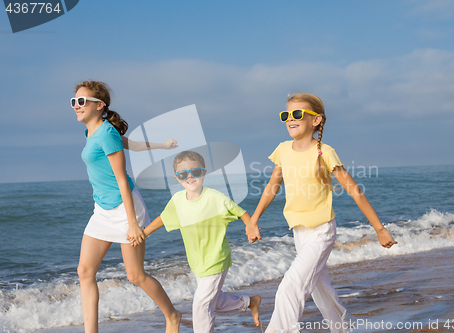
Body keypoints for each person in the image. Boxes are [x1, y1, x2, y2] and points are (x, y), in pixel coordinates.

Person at [250, 93, 397, 333]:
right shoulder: (283, 150)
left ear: (315, 120)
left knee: (291, 286)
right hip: (299, 233)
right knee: (320, 288)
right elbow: (271, 188)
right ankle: (341, 329)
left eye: (297, 114)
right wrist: (254, 220)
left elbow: (355, 192)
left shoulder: (325, 153)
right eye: (286, 115)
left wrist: (379, 229)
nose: (290, 119)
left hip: (321, 232)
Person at [72, 80, 181, 333]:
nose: (76, 106)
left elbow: (122, 179)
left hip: (125, 208)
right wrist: (162, 145)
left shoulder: (106, 133)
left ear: (99, 106)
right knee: (85, 270)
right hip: (102, 209)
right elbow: (129, 143)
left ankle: (172, 315)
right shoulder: (92, 131)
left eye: (81, 101)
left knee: (135, 276)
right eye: (74, 101)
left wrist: (132, 223)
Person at [131, 150, 262, 333]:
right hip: (197, 262)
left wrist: (251, 227)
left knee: (201, 306)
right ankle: (250, 302)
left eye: (196, 172)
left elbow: (241, 213)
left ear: (204, 172)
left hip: (217, 259)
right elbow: (163, 218)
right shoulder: (177, 200)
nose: (190, 177)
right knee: (214, 302)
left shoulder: (215, 198)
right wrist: (143, 233)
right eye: (183, 174)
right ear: (177, 178)